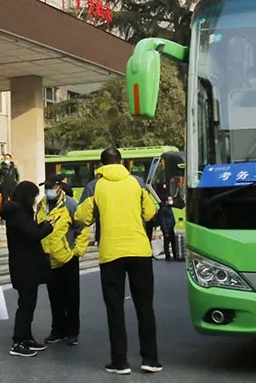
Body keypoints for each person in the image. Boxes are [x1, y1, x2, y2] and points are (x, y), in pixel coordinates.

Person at [75, 147, 162, 375]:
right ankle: (151, 359)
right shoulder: (137, 183)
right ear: (122, 162)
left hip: (111, 253)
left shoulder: (94, 186)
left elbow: (82, 217)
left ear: (101, 165)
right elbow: (149, 213)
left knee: (115, 309)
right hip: (140, 251)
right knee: (145, 307)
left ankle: (120, 361)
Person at [2, 180, 55, 357]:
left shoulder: (19, 212)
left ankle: (26, 337)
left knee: (29, 303)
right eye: (33, 196)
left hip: (26, 264)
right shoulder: (17, 213)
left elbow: (30, 230)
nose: (34, 200)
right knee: (25, 304)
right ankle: (18, 341)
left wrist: (42, 225)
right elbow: (32, 235)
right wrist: (48, 228)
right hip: (23, 265)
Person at [37, 173, 89, 346]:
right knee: (55, 297)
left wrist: (77, 252)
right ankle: (57, 330)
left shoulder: (71, 204)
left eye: (50, 187)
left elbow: (83, 228)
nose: (47, 190)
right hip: (48, 258)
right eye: (46, 187)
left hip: (68, 258)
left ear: (59, 187)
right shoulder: (41, 205)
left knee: (71, 297)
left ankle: (73, 331)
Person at [156, 196, 177, 261]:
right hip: (167, 228)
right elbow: (162, 220)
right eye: (170, 200)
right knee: (167, 242)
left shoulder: (168, 207)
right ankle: (168, 256)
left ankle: (175, 255)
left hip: (170, 227)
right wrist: (165, 231)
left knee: (173, 241)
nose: (171, 201)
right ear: (166, 201)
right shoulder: (163, 209)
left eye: (171, 199)